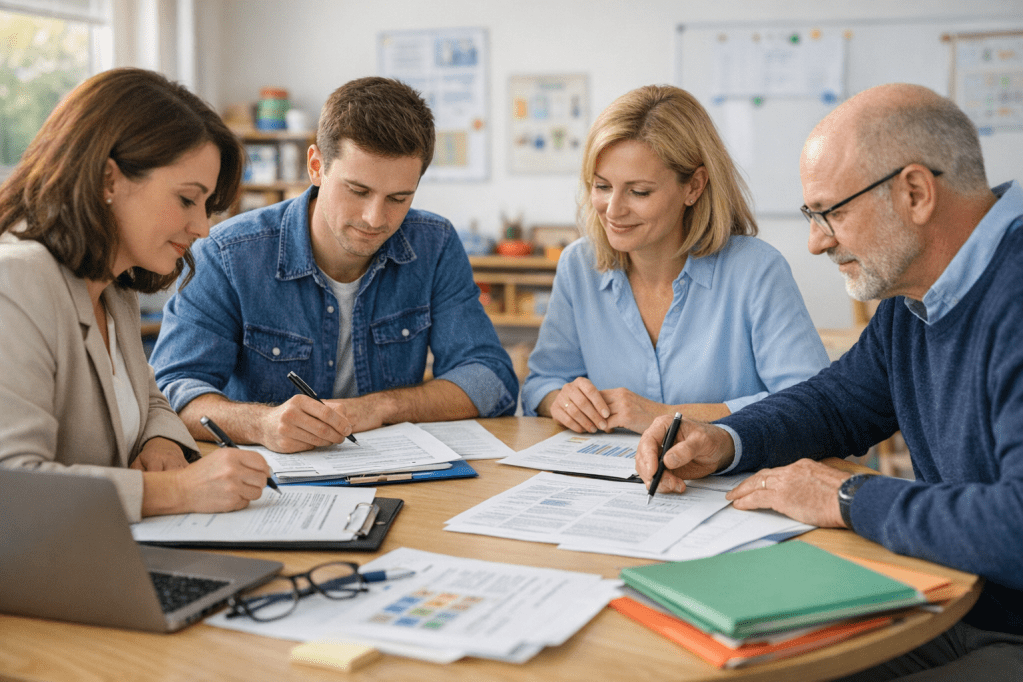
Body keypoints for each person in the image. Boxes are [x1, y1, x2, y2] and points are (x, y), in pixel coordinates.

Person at [636, 83, 1022, 679]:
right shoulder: (916, 294)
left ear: (915, 192)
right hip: (956, 602)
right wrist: (723, 440)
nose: (816, 241)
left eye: (830, 213)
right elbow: (839, 402)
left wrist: (846, 498)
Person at [149, 77, 517, 453]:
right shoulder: (227, 253)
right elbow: (173, 391)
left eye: (399, 198)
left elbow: (491, 378)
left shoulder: (434, 244)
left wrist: (382, 407)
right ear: (315, 166)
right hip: (269, 481)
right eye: (358, 191)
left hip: (396, 471)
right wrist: (261, 424)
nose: (375, 218)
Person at [0, 67, 274, 522]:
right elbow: (14, 489)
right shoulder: (16, 284)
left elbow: (149, 399)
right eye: (188, 199)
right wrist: (174, 490)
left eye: (207, 206)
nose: (203, 227)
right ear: (109, 180)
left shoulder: (114, 288)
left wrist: (159, 441)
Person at [521, 85, 829, 434]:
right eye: (602, 186)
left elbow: (812, 404)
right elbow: (542, 383)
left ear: (694, 186)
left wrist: (665, 416)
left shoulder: (757, 271)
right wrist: (560, 400)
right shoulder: (579, 265)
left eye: (639, 192)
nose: (614, 210)